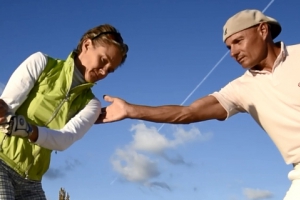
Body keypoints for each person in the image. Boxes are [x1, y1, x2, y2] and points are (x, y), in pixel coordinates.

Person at [96, 9, 300, 199]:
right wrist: (130, 110)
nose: (232, 52)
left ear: (263, 30)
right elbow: (188, 112)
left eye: (238, 41)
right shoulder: (241, 89)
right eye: (229, 47)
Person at [0, 24, 128, 199]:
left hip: (32, 180)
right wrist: (5, 115)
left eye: (110, 70)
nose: (104, 71)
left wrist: (29, 130)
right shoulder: (41, 63)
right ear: (86, 45)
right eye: (103, 60)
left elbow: (64, 139)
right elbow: (6, 106)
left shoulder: (91, 104)